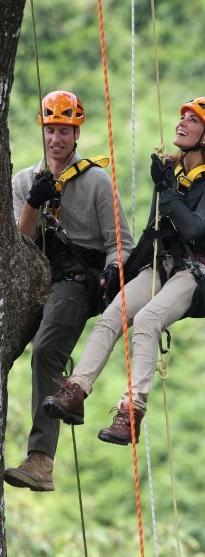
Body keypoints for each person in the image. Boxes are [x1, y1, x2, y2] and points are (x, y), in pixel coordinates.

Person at [42, 95, 205, 447]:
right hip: (160, 265)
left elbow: (193, 230)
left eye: (193, 121)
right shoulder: (172, 173)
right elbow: (153, 233)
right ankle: (75, 391)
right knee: (113, 315)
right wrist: (122, 273)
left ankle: (130, 412)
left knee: (147, 320)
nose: (182, 123)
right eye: (184, 116)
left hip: (197, 273)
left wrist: (165, 189)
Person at [5, 90, 134, 491]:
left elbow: (121, 242)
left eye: (64, 130)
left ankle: (41, 459)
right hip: (33, 278)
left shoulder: (95, 181)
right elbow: (18, 245)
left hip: (78, 281)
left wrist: (113, 272)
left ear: (76, 134)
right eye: (50, 130)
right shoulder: (24, 181)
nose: (56, 139)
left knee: (46, 350)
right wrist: (33, 202)